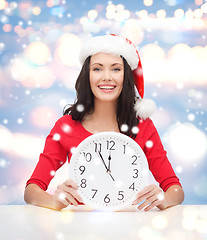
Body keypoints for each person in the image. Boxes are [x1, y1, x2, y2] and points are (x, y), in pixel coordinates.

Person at [24, 34, 184, 211]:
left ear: (127, 76)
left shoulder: (143, 126)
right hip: (80, 229)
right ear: (87, 75)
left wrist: (164, 198)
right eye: (97, 69)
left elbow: (175, 189)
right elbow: (32, 190)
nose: (106, 77)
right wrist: (54, 201)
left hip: (130, 227)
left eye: (116, 69)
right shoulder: (66, 126)